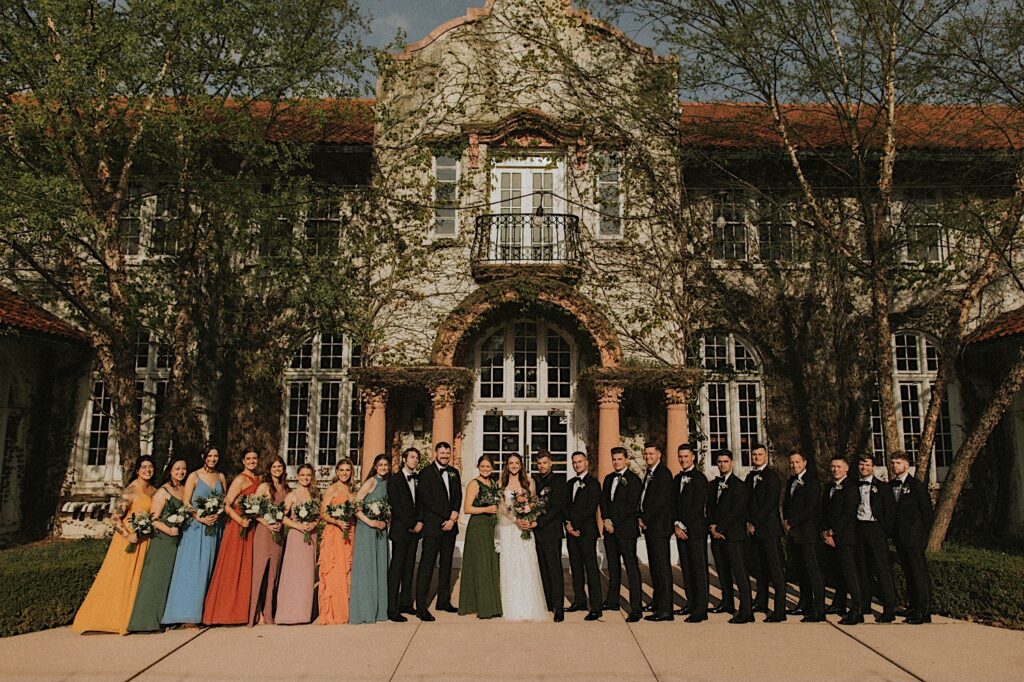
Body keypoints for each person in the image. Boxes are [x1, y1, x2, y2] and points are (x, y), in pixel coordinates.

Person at [73, 456, 156, 634]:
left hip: (145, 539)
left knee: (139, 580)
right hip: (128, 540)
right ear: (137, 470)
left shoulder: (153, 490)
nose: (147, 470)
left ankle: (134, 618)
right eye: (143, 467)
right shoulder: (131, 490)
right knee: (120, 578)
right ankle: (109, 619)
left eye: (150, 467)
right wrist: (128, 535)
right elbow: (115, 518)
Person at [161, 447, 226, 627]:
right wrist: (200, 516)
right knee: (193, 569)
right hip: (196, 528)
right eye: (210, 456)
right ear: (203, 457)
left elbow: (225, 500)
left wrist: (218, 513)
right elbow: (186, 502)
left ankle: (208, 613)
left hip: (215, 527)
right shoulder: (194, 476)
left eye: (216, 456)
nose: (213, 459)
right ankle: (186, 615)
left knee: (210, 567)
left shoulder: (221, 477)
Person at [128, 456, 188, 632]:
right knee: (156, 579)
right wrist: (168, 530)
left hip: (178, 539)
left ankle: (165, 618)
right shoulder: (163, 491)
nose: (180, 472)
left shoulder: (184, 489)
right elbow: (153, 519)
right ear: (170, 470)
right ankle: (145, 622)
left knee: (171, 579)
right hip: (163, 540)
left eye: (183, 469)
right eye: (177, 469)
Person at [202, 448, 261, 625]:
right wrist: (240, 520)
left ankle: (242, 612)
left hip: (251, 527)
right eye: (248, 459)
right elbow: (227, 505)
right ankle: (223, 612)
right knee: (232, 566)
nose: (251, 461)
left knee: (247, 568)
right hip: (237, 527)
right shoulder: (240, 479)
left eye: (254, 458)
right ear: (243, 461)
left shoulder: (259, 479)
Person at [498, 453, 549, 621]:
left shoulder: (529, 482)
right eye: (511, 463)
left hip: (524, 528)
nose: (514, 466)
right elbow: (500, 508)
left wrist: (529, 519)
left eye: (516, 463)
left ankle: (529, 606)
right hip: (509, 529)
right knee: (511, 565)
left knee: (527, 565)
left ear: (521, 465)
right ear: (507, 465)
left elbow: (534, 503)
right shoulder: (501, 482)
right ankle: (511, 606)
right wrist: (515, 519)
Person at [415, 442, 461, 621]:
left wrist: (454, 515)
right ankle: (421, 606)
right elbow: (426, 500)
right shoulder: (425, 473)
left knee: (446, 565)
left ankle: (443, 600)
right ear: (436, 453)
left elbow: (457, 495)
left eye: (447, 453)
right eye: (442, 453)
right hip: (434, 527)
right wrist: (447, 517)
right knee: (427, 565)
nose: (444, 456)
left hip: (450, 527)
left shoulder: (454, 473)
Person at [707, 449, 753, 624]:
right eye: (719, 462)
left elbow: (737, 511)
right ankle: (727, 602)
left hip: (733, 536)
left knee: (740, 573)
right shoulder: (713, 485)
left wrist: (721, 528)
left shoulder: (740, 486)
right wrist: (712, 526)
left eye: (725, 461)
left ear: (731, 463)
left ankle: (746, 610)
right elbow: (710, 508)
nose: (722, 464)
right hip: (716, 535)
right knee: (722, 571)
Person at [890, 451, 934, 624]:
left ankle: (924, 610)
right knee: (908, 572)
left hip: (914, 538)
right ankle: (914, 605)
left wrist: (922, 537)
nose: (895, 466)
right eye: (893, 463)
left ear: (907, 465)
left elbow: (927, 514)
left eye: (898, 463)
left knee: (918, 573)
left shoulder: (916, 486)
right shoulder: (891, 485)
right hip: (900, 538)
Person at [601, 446, 643, 622]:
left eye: (619, 459)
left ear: (626, 459)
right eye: (614, 459)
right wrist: (605, 519)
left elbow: (631, 506)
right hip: (609, 530)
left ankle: (636, 608)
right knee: (613, 567)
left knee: (631, 568)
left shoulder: (634, 480)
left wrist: (614, 522)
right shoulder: (608, 478)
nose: (616, 462)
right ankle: (613, 600)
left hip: (626, 530)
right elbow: (603, 500)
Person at [458, 455, 502, 619]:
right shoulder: (473, 484)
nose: (485, 469)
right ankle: (482, 607)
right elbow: (467, 509)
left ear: (492, 467)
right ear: (478, 467)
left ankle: (492, 604)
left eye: (488, 466)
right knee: (480, 564)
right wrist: (485, 509)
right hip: (477, 527)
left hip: (491, 527)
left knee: (491, 563)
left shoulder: (493, 484)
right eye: (482, 466)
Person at [783, 448, 824, 622]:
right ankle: (804, 603)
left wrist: (793, 522)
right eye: (792, 462)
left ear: (805, 463)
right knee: (801, 571)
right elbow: (786, 503)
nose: (794, 465)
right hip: (794, 534)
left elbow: (811, 508)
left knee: (813, 571)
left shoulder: (812, 482)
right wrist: (785, 520)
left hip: (807, 533)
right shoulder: (791, 481)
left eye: (797, 462)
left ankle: (818, 609)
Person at [746, 444, 786, 622]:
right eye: (754, 454)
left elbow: (770, 504)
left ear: (766, 456)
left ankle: (780, 609)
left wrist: (755, 522)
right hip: (754, 531)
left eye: (759, 454)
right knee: (759, 568)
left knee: (775, 570)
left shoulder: (772, 477)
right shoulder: (749, 477)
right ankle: (761, 600)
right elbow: (745, 502)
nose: (756, 457)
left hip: (769, 530)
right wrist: (748, 521)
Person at [854, 453, 896, 622]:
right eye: (861, 465)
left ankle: (889, 608)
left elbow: (890, 511)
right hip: (859, 528)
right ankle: (865, 604)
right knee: (862, 569)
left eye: (867, 465)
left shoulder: (883, 487)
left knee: (882, 569)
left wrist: (883, 530)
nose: (864, 468)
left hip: (876, 529)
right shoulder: (853, 485)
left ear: (873, 467)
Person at [275, 463, 318, 624]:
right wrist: (298, 526)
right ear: (297, 476)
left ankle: (303, 613)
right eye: (302, 475)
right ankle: (288, 613)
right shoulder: (292, 495)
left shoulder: (314, 495)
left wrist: (314, 523)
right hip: (296, 536)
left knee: (307, 575)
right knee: (294, 573)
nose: (305, 478)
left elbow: (319, 514)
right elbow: (282, 516)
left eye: (308, 475)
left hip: (311, 536)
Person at [350, 453, 391, 624]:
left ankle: (379, 609)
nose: (383, 467)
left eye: (386, 465)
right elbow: (356, 506)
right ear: (375, 466)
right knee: (367, 567)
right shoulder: (371, 482)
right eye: (380, 464)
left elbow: (388, 506)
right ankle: (365, 609)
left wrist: (385, 520)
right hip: (367, 529)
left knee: (380, 566)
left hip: (380, 530)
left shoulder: (388, 484)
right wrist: (370, 522)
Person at [822, 456, 863, 625]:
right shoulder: (829, 487)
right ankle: (838, 604)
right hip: (830, 538)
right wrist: (825, 532)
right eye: (833, 466)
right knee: (837, 573)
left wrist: (833, 532)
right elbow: (824, 510)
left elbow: (848, 514)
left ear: (846, 469)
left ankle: (857, 610)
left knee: (850, 574)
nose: (835, 469)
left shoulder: (851, 488)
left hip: (845, 538)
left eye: (839, 467)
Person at [249, 455, 289, 626]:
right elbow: (251, 508)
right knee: (259, 573)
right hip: (263, 532)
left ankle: (268, 613)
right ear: (269, 469)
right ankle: (254, 614)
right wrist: (267, 522)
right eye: (274, 467)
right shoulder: (264, 486)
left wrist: (280, 522)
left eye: (280, 467)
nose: (277, 470)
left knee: (273, 575)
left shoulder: (287, 489)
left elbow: (286, 511)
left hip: (278, 534)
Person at [673, 443, 709, 622]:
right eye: (680, 456)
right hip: (680, 530)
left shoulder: (700, 478)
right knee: (686, 568)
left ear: (693, 457)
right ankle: (691, 603)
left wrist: (683, 524)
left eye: (686, 456)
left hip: (695, 530)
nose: (682, 459)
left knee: (698, 568)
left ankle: (701, 609)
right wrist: (676, 525)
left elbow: (697, 506)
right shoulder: (677, 478)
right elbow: (673, 503)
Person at [639, 442, 674, 621]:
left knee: (662, 568)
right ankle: (658, 601)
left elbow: (660, 502)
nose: (648, 456)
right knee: (655, 567)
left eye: (651, 453)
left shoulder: (663, 474)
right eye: (645, 454)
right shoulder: (650, 473)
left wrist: (645, 519)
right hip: (651, 528)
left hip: (659, 527)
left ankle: (666, 610)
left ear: (659, 455)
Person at [565, 451, 602, 621]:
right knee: (576, 568)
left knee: (591, 569)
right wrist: (568, 524)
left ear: (586, 462)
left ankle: (596, 606)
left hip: (586, 532)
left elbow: (590, 508)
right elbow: (564, 506)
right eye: (574, 462)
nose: (577, 465)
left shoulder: (594, 484)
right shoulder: (570, 483)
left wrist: (576, 525)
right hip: (571, 532)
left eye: (580, 461)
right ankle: (579, 600)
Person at [387, 447, 423, 622]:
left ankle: (406, 603)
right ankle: (392, 608)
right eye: (412, 457)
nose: (414, 460)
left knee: (409, 568)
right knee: (397, 569)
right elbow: (396, 505)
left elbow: (421, 503)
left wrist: (420, 523)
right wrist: (411, 524)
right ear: (404, 459)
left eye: (417, 458)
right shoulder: (394, 480)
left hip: (415, 531)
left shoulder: (418, 479)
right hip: (401, 531)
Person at [531, 449, 567, 621]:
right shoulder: (535, 481)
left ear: (550, 463)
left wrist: (539, 522)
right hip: (537, 532)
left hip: (551, 531)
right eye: (539, 463)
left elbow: (557, 507)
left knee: (554, 569)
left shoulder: (559, 481)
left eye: (544, 463)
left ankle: (559, 607)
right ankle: (547, 602)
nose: (541, 466)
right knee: (542, 568)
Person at [318, 458, 355, 625]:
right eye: (342, 470)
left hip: (350, 533)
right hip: (335, 533)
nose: (345, 473)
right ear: (337, 472)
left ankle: (346, 609)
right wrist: (337, 521)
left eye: (348, 470)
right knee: (335, 570)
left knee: (347, 569)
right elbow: (323, 513)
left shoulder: (352, 490)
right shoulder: (332, 489)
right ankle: (334, 611)